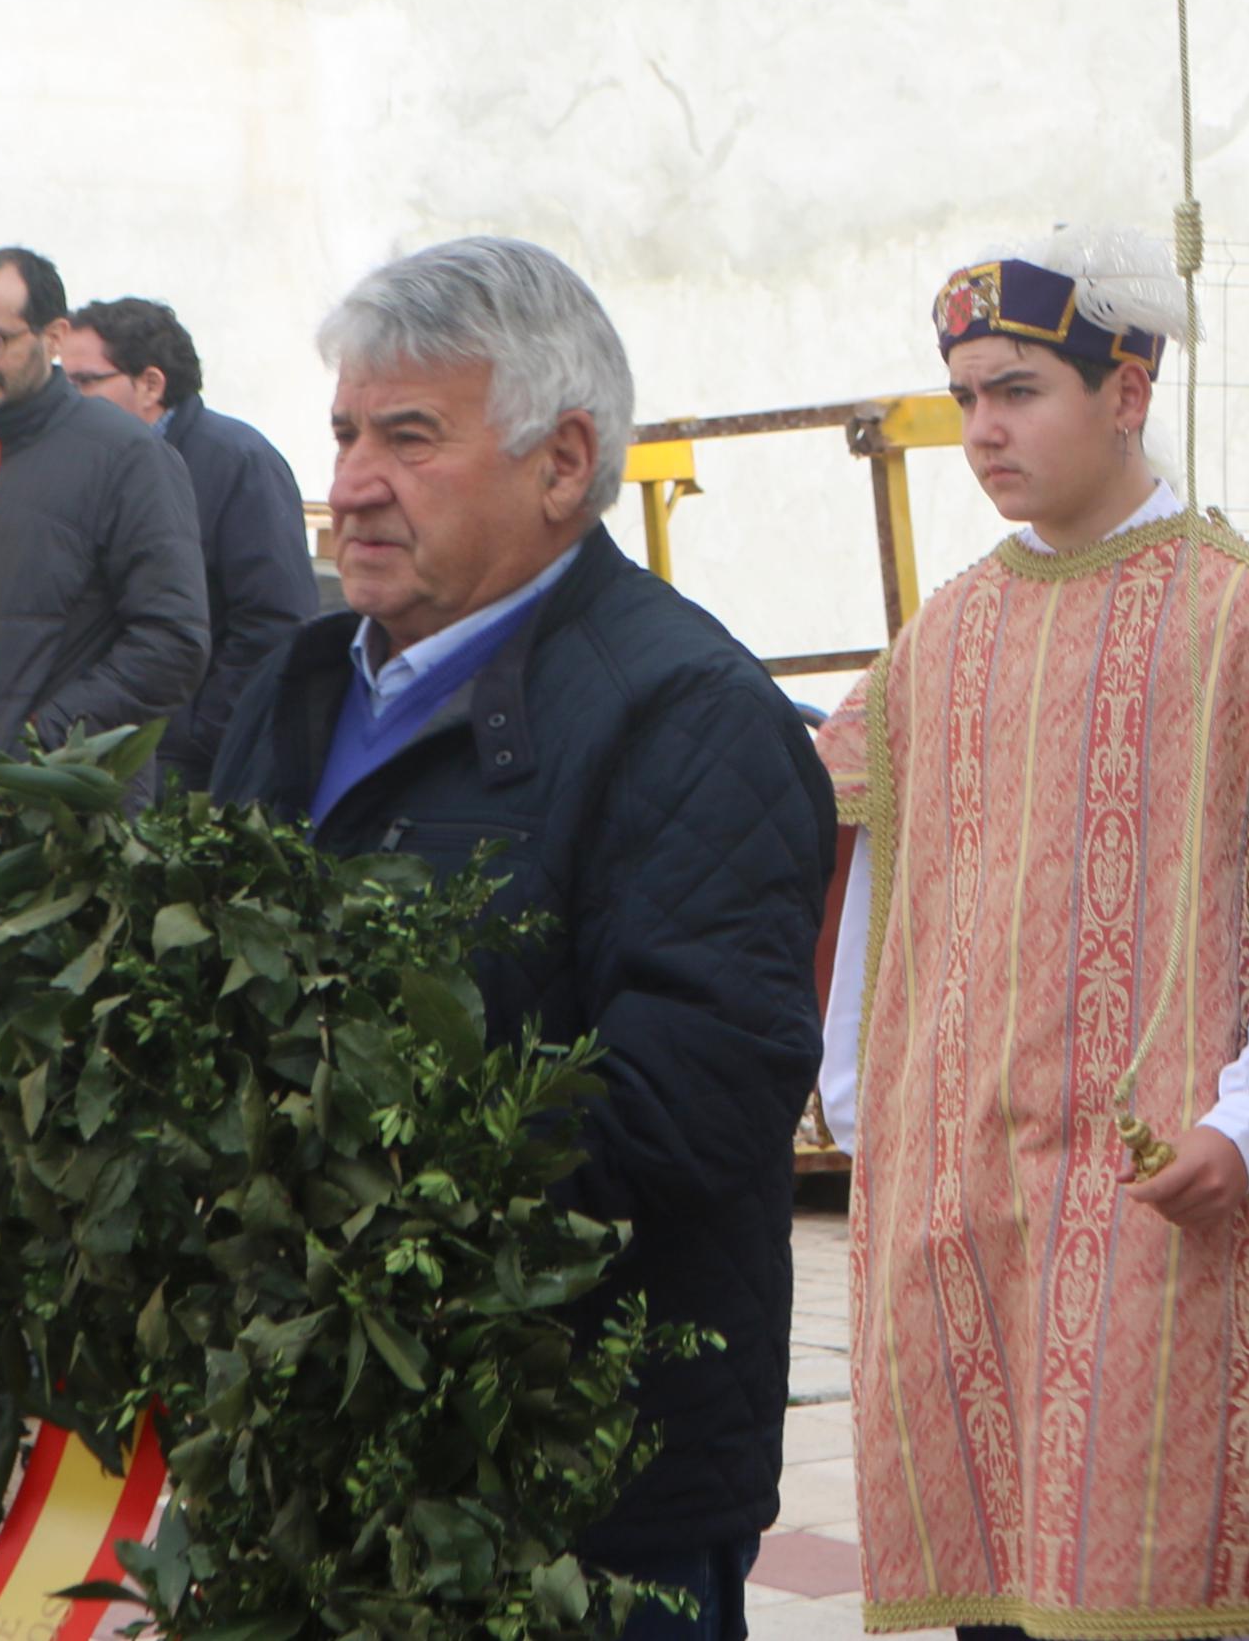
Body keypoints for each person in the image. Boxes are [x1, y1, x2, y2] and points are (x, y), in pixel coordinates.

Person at [809, 226, 1249, 1639]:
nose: (982, 430)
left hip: (1169, 1206)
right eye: (964, 396)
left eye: (1016, 389)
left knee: (1148, 1594)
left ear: (1126, 388)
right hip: (965, 1213)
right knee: (998, 1603)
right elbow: (872, 923)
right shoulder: (936, 642)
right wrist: (868, 1109)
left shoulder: (1247, 622)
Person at [207, 238, 833, 1641]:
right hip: (329, 1447)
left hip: (582, 1479)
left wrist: (336, 1154)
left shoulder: (685, 713)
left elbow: (699, 1094)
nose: (353, 480)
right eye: (346, 432)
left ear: (561, 463)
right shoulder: (300, 683)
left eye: (408, 436)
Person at [0, 246, 209, 834]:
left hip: (59, 841)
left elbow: (173, 641)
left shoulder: (128, 457)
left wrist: (34, 753)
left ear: (54, 337)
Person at [59, 295, 317, 788]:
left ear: (151, 384)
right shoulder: (84, 467)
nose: (68, 400)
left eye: (85, 382)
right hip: (96, 761)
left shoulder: (238, 462)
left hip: (187, 775)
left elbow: (276, 620)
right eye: (61, 381)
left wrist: (197, 737)